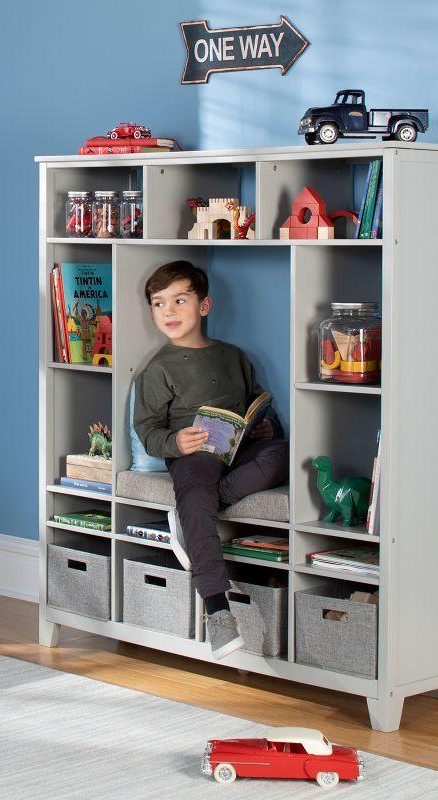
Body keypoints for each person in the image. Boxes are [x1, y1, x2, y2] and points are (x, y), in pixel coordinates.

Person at [133, 260, 289, 660]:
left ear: (204, 306)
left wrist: (262, 428)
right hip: (195, 451)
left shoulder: (234, 356)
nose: (168, 312)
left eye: (179, 300)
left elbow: (256, 404)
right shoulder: (158, 369)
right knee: (196, 485)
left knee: (280, 456)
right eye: (158, 303)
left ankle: (194, 511)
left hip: (238, 447)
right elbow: (148, 430)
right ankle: (218, 611)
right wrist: (176, 441)